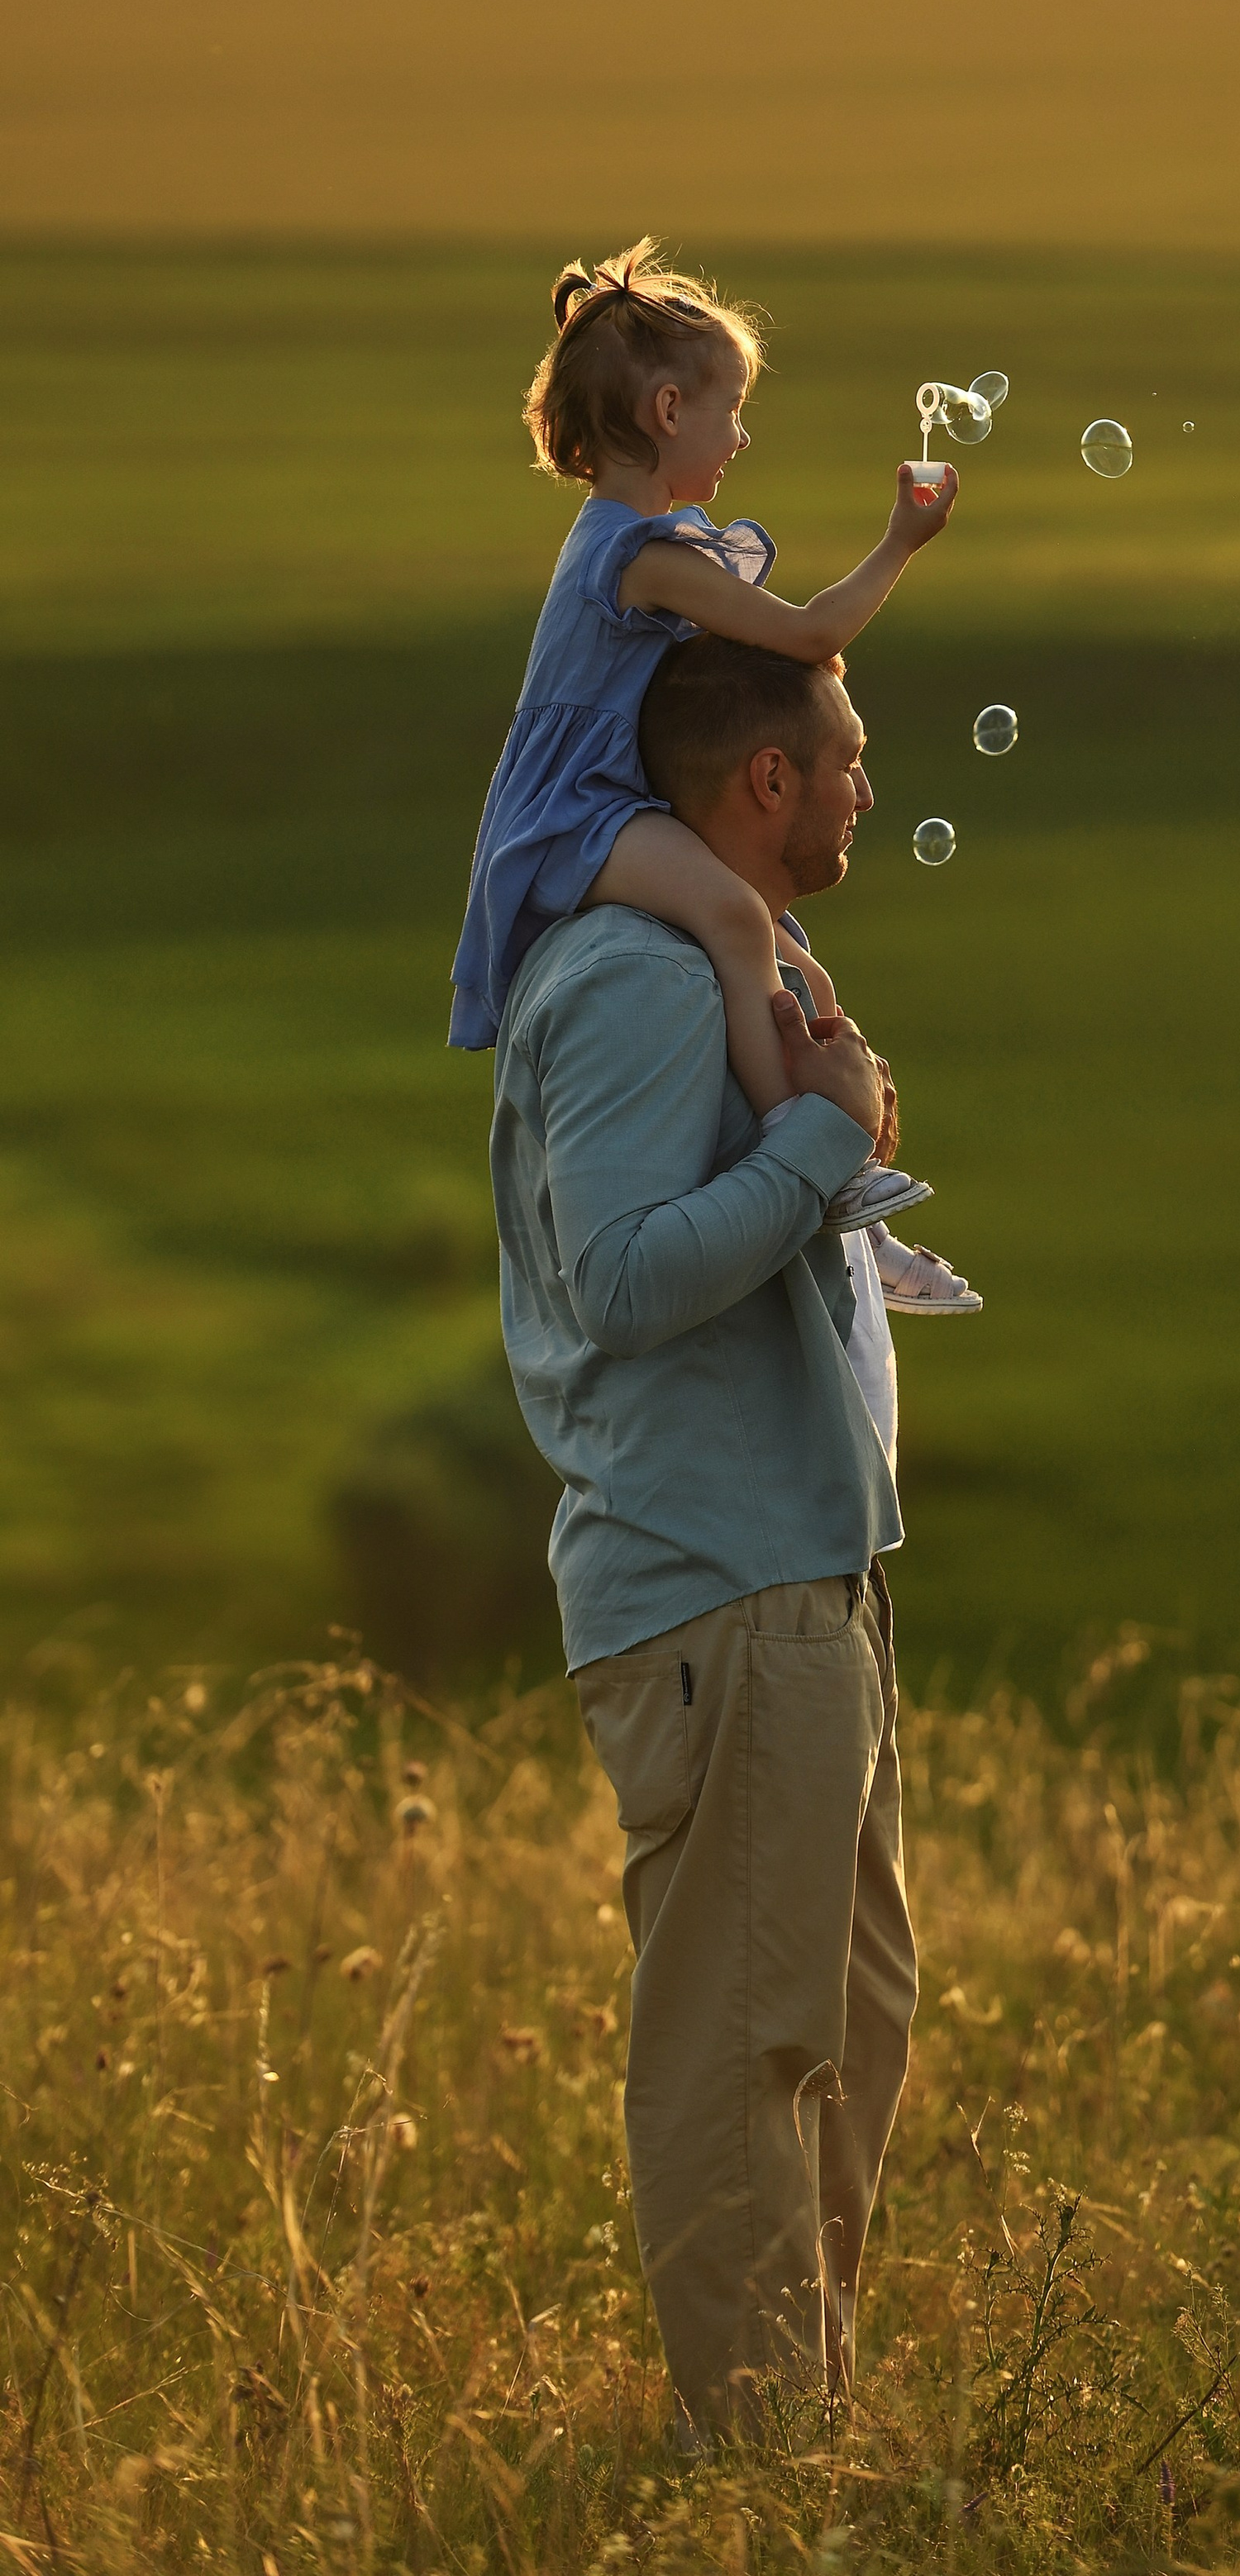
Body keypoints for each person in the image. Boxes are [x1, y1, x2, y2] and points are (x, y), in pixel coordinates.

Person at [489, 631, 919, 2440]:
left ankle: (787, 2417)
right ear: (765, 780)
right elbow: (622, 1280)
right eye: (846, 755)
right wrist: (819, 1152)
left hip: (805, 1576)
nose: (862, 786)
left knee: (848, 2021)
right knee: (746, 2038)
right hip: (714, 1584)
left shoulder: (732, 971)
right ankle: (752, 2465)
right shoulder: (637, 983)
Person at [452, 236, 960, 1250]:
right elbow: (811, 634)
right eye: (729, 411)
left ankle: (858, 1205)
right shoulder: (641, 554)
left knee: (801, 968)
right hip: (577, 814)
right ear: (668, 413)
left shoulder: (641, 543)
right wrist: (902, 542)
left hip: (604, 798)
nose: (738, 437)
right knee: (734, 913)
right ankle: (807, 1156)